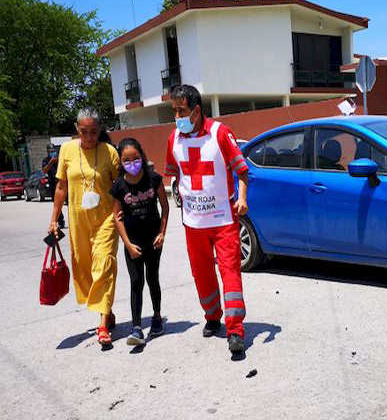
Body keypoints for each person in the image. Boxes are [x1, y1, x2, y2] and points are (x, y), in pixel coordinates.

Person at [163, 84, 250, 356]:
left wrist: (242, 198)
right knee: (201, 274)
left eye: (182, 110)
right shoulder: (173, 140)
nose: (177, 116)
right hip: (193, 223)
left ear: (196, 110)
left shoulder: (220, 133)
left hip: (224, 220)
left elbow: (242, 171)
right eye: (174, 111)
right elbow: (174, 176)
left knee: (230, 272)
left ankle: (235, 329)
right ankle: (212, 316)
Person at [48, 107, 121, 348]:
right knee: (85, 266)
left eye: (93, 132)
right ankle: (106, 310)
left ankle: (102, 325)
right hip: (78, 219)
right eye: (84, 132)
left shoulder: (109, 152)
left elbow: (121, 186)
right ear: (77, 130)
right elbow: (61, 187)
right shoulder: (67, 150)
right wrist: (54, 219)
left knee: (104, 264)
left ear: (100, 130)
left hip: (106, 219)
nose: (89, 137)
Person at [110, 138, 169, 346]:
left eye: (136, 158)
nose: (132, 163)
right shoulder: (118, 186)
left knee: (153, 279)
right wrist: (127, 244)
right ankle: (136, 328)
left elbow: (165, 207)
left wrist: (162, 233)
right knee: (136, 282)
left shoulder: (154, 179)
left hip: (153, 242)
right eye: (126, 160)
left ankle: (157, 317)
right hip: (132, 244)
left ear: (142, 156)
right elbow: (116, 217)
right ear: (120, 161)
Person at [43, 143, 65, 228]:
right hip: (53, 184)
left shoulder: (60, 159)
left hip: (62, 182)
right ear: (48, 152)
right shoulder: (46, 160)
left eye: (53, 151)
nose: (52, 153)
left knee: (69, 202)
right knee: (57, 204)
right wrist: (50, 163)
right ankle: (61, 221)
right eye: (50, 151)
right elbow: (44, 171)